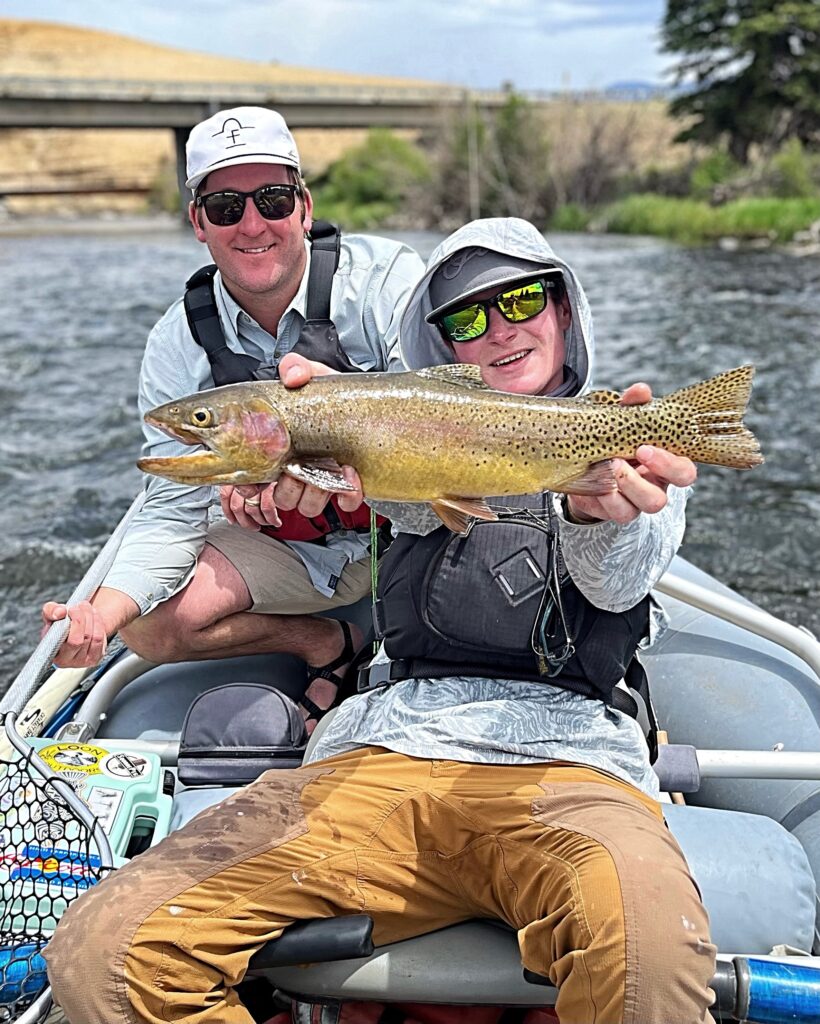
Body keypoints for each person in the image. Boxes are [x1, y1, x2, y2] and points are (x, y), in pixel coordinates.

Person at [44, 218, 716, 1024]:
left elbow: (617, 583)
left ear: (564, 311)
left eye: (522, 301)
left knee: (652, 970)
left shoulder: (631, 468)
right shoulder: (411, 445)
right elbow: (385, 472)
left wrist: (597, 511)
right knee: (105, 954)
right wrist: (316, 432)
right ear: (441, 348)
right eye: (467, 318)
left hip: (571, 779)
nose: (499, 329)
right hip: (381, 765)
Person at [40, 106, 424, 727]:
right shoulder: (176, 343)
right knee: (144, 626)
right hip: (297, 553)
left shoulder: (388, 284)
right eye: (225, 208)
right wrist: (95, 620)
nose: (252, 224)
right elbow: (170, 509)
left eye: (272, 200)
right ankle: (327, 643)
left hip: (414, 530)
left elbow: (448, 411)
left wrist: (349, 419)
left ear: (304, 207)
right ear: (198, 222)